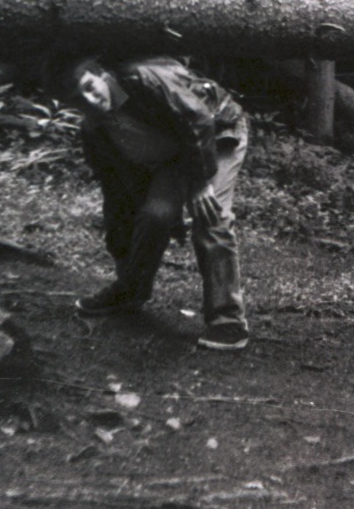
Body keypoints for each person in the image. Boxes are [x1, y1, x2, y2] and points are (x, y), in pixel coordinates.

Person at [63, 55, 251, 351]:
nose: (90, 99)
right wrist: (122, 247)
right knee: (155, 216)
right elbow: (116, 197)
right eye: (78, 99)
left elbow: (198, 119)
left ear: (102, 74)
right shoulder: (95, 132)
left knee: (211, 217)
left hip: (218, 130)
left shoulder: (142, 79)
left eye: (90, 86)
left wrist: (200, 183)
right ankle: (130, 292)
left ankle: (228, 321)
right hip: (178, 153)